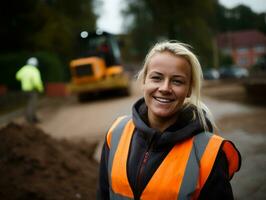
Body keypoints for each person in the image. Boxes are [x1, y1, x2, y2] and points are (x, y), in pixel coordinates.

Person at [97, 41, 241, 199]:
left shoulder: (210, 153)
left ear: (189, 90)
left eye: (177, 81)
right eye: (157, 78)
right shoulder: (116, 133)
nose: (165, 88)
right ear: (144, 81)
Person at [16, 57, 44, 124]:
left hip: (24, 90)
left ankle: (32, 118)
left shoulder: (24, 69)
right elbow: (37, 82)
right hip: (31, 90)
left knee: (28, 103)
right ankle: (31, 119)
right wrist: (40, 88)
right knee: (32, 104)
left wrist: (24, 79)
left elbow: (17, 76)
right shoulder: (34, 70)